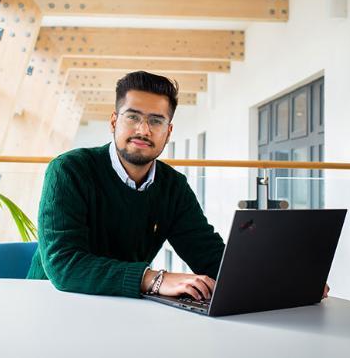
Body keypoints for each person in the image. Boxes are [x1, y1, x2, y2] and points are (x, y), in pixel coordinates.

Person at [26, 71, 329, 301]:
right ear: (113, 122)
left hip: (123, 308)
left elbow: (208, 255)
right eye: (133, 117)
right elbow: (65, 265)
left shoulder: (172, 186)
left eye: (156, 121)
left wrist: (284, 281)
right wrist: (155, 279)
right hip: (52, 303)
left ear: (168, 131)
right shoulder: (70, 170)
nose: (143, 130)